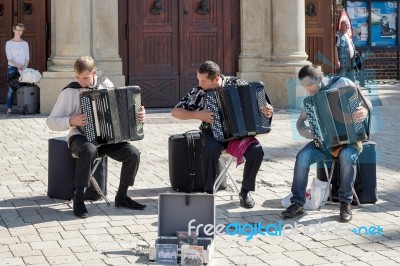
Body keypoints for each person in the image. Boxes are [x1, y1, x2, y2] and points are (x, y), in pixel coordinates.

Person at [46, 56, 146, 218]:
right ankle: (78, 200)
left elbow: (119, 111)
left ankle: (122, 197)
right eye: (77, 77)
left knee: (133, 154)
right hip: (79, 137)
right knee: (89, 150)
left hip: (106, 139)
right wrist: (71, 120)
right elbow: (51, 122)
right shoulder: (70, 92)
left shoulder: (105, 85)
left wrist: (138, 116)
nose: (81, 81)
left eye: (85, 77)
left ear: (94, 73)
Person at [171, 61, 274, 209]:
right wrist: (197, 114)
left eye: (204, 80)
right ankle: (208, 192)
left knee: (257, 150)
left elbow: (263, 106)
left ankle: (245, 192)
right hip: (212, 132)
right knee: (210, 149)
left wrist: (268, 111)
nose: (200, 84)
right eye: (199, 80)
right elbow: (175, 112)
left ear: (216, 78)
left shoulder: (238, 84)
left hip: (240, 135)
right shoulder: (199, 92)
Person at [282, 65, 372, 222]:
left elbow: (367, 104)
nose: (307, 90)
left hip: (349, 141)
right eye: (304, 86)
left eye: (309, 85)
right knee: (302, 156)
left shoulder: (343, 83)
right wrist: (302, 130)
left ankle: (345, 203)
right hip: (324, 144)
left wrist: (364, 111)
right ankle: (297, 202)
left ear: (319, 78)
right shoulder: (310, 101)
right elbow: (300, 121)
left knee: (346, 155)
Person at [5, 23, 30, 115]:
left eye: (21, 30)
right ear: (13, 30)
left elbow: (27, 57)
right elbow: (9, 57)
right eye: (17, 30)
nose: (19, 32)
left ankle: (24, 108)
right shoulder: (9, 43)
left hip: (23, 68)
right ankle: (9, 109)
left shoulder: (25, 44)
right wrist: (17, 65)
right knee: (11, 89)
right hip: (12, 68)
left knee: (23, 88)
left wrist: (24, 67)